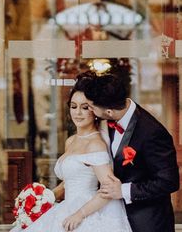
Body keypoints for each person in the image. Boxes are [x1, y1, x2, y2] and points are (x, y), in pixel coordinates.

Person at [10, 78, 132, 232]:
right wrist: (43, 199)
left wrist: (80, 215)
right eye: (74, 107)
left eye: (85, 107)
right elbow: (70, 180)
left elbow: (109, 190)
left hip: (87, 212)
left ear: (94, 111)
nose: (78, 113)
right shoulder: (71, 141)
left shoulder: (95, 144)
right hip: (66, 207)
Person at [83, 72, 180, 232]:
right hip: (112, 217)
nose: (90, 111)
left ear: (109, 112)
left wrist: (124, 190)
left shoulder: (152, 133)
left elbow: (169, 181)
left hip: (147, 221)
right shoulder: (105, 123)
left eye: (92, 107)